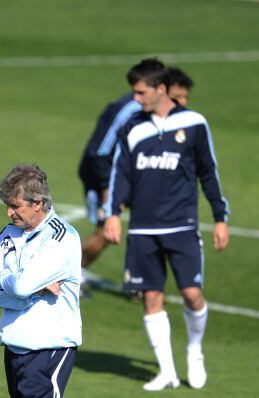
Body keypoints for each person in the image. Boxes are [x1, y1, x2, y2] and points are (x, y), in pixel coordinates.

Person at [103, 59, 229, 391]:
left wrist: (219, 218)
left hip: (181, 226)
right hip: (143, 229)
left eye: (140, 92)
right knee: (151, 298)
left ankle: (194, 350)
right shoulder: (133, 126)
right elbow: (121, 173)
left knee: (191, 293)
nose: (136, 98)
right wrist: (113, 212)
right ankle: (167, 371)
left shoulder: (195, 123)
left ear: (160, 89)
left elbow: (208, 172)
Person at [77, 67, 195, 287]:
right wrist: (108, 191)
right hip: (101, 174)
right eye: (178, 97)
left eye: (186, 98)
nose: (183, 103)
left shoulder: (168, 114)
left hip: (135, 177)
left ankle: (141, 283)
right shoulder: (128, 110)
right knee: (105, 232)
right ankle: (70, 275)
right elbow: (99, 153)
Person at [0, 164, 82, 398]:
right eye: (7, 205)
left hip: (48, 349)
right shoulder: (8, 234)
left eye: (15, 206)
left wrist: (13, 284)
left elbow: (21, 286)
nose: (9, 212)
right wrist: (31, 293)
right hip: (14, 346)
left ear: (38, 203)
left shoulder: (61, 237)